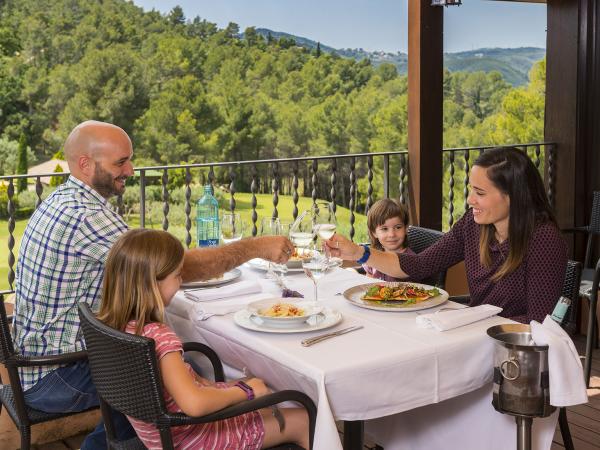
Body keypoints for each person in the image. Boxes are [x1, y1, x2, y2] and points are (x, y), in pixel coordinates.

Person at [12, 120, 295, 449]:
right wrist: (255, 248)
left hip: (36, 362)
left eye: (130, 160)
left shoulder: (61, 199)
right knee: (173, 369)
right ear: (85, 164)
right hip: (57, 376)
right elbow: (174, 267)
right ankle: (196, 434)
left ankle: (117, 442)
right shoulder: (87, 215)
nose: (131, 170)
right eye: (121, 162)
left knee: (163, 356)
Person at [97, 228, 309, 449]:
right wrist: (246, 391)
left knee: (265, 399)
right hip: (194, 439)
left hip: (165, 436)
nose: (181, 281)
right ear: (153, 283)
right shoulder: (159, 339)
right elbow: (195, 404)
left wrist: (232, 387)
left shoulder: (115, 327)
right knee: (304, 417)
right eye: (178, 275)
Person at [327, 147, 568, 324]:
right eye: (471, 190)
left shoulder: (544, 239)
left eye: (480, 193)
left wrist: (470, 325)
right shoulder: (473, 225)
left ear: (512, 196)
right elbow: (420, 265)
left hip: (512, 352)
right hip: (477, 333)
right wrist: (359, 253)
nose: (470, 200)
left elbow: (539, 323)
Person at [363, 198, 414, 282]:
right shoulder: (373, 255)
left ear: (405, 229)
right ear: (374, 233)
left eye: (398, 227)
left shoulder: (411, 260)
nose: (392, 234)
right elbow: (369, 277)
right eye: (384, 229)